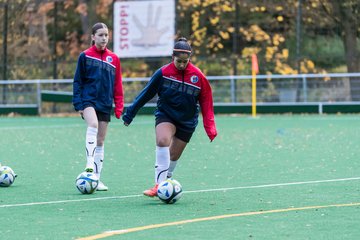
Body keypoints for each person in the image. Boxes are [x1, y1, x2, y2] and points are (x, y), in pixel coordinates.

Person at [122, 37, 217, 197]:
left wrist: (210, 128)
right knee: (162, 141)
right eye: (178, 61)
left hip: (187, 121)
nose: (181, 64)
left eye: (185, 62)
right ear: (172, 57)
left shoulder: (198, 77)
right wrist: (130, 113)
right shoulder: (163, 73)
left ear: (189, 59)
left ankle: (167, 180)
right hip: (166, 115)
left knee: (173, 156)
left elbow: (207, 103)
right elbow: (146, 94)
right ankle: (159, 186)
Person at [73, 22, 124, 191]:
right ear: (93, 37)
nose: (104, 38)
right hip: (88, 100)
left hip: (105, 103)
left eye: (106, 35)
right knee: (92, 124)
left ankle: (96, 178)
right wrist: (78, 103)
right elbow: (78, 81)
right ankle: (89, 165)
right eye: (100, 35)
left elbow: (117, 84)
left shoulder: (114, 58)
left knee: (100, 141)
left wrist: (118, 106)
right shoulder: (85, 56)